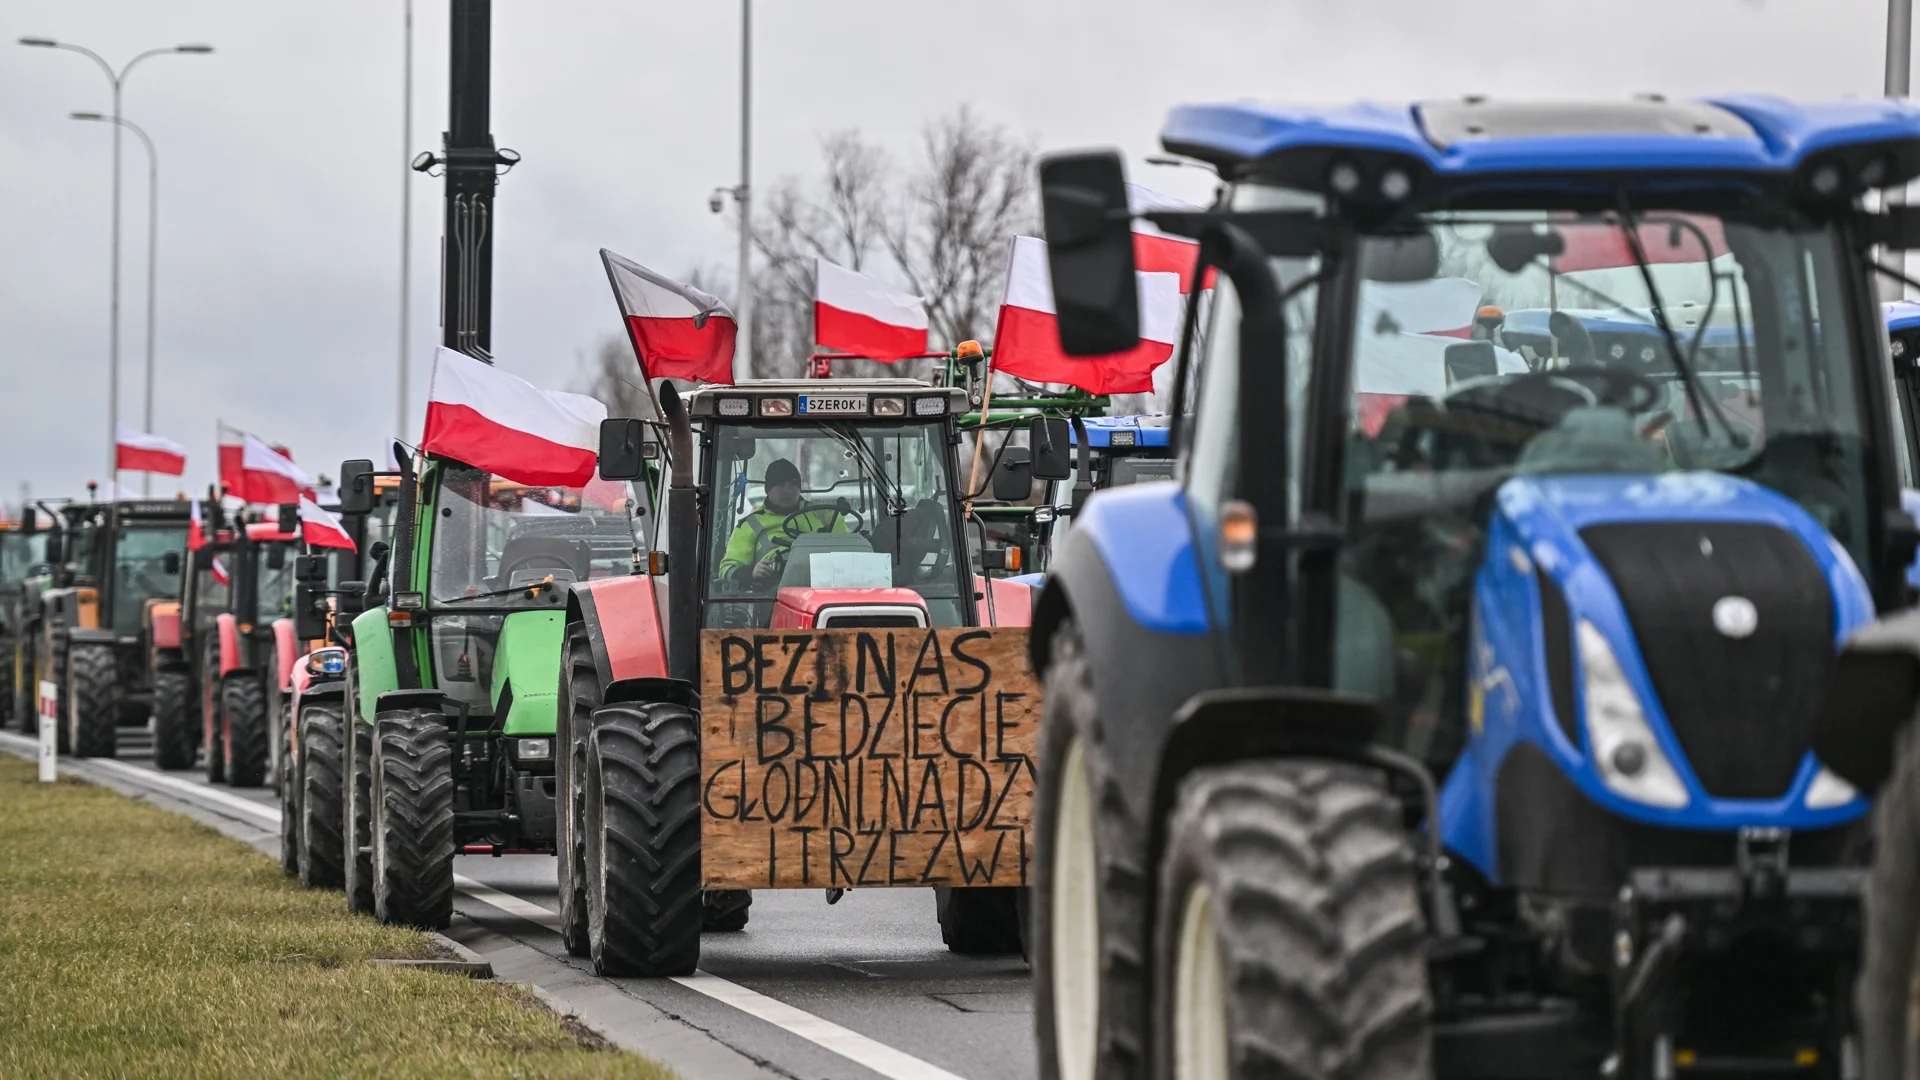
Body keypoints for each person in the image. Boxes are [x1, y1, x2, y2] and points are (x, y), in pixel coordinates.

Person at [717, 458, 849, 587]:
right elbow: (727, 569)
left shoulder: (826, 516)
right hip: (772, 592)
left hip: (824, 585)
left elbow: (848, 552)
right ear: (768, 489)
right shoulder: (750, 525)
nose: (788, 490)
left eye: (793, 484)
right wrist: (751, 572)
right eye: (781, 485)